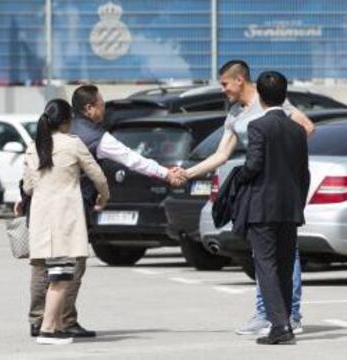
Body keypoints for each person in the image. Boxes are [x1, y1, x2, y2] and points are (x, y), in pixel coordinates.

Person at [27, 84, 187, 338]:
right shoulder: (90, 137)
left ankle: (38, 320)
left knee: (40, 265)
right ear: (89, 108)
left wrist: (23, 196)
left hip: (38, 207)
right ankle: (63, 320)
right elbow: (131, 159)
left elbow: (30, 173)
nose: (104, 109)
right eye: (101, 104)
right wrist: (166, 174)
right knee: (72, 265)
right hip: (70, 209)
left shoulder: (43, 136)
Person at [185, 60, 314, 335]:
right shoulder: (234, 114)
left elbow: (305, 128)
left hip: (272, 188)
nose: (223, 90)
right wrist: (187, 173)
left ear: (240, 79)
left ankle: (290, 314)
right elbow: (221, 155)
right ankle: (265, 313)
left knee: (281, 257)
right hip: (255, 191)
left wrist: (280, 169)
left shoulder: (269, 100)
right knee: (262, 255)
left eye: (225, 84)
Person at [22, 99, 109, 344]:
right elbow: (98, 176)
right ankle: (54, 325)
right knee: (64, 273)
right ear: (66, 122)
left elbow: (28, 186)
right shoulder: (73, 144)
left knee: (41, 270)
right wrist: (104, 196)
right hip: (65, 218)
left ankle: (40, 321)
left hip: (40, 217)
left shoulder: (32, 147)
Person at [235, 71, 310, 344]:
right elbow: (304, 173)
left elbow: (254, 165)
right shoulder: (297, 129)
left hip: (262, 208)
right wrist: (298, 203)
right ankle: (286, 320)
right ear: (284, 94)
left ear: (260, 95)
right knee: (285, 265)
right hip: (290, 209)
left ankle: (280, 327)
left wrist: (238, 178)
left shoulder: (258, 126)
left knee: (266, 267)